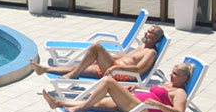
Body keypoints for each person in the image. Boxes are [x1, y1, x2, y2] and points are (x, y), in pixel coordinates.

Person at [42, 61, 194, 112]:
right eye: (172, 72)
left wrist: (159, 105)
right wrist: (140, 88)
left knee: (108, 81)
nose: (170, 75)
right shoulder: (169, 84)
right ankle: (58, 103)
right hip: (134, 101)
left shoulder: (180, 93)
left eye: (175, 74)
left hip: (140, 108)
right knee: (94, 103)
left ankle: (80, 108)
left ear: (184, 78)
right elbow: (156, 94)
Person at [30, 26, 164, 81]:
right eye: (147, 31)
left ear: (156, 38)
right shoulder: (143, 46)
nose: (146, 33)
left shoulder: (150, 53)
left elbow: (139, 69)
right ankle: (44, 69)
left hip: (121, 74)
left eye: (149, 32)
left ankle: (74, 75)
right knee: (79, 67)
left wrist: (115, 68)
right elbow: (125, 57)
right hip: (114, 67)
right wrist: (109, 59)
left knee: (96, 47)